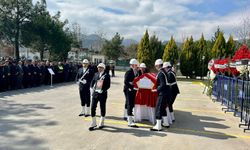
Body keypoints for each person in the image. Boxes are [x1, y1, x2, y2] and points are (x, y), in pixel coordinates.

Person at [150, 59, 171, 131]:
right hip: (166, 93)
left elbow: (162, 85)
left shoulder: (161, 73)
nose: (155, 67)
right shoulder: (164, 72)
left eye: (156, 66)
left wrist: (156, 90)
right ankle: (166, 123)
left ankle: (158, 126)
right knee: (162, 108)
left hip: (162, 93)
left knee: (158, 108)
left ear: (158, 65)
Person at [89, 63, 110, 131]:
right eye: (98, 67)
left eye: (101, 67)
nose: (99, 68)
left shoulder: (107, 75)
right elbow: (92, 82)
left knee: (102, 107)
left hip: (102, 94)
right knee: (92, 107)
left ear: (103, 68)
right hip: (95, 93)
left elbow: (108, 85)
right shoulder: (96, 74)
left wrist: (103, 90)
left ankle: (101, 121)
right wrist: (91, 88)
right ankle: (93, 122)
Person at [123, 58, 139, 128]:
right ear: (132, 65)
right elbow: (126, 82)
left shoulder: (135, 71)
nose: (136, 66)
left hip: (132, 90)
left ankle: (127, 116)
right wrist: (132, 87)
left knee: (130, 103)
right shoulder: (129, 72)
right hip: (128, 89)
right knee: (130, 103)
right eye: (136, 65)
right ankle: (130, 121)